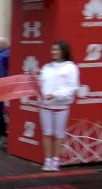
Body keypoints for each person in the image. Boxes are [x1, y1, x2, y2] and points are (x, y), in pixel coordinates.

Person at [39, 41, 80, 171]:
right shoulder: (46, 67)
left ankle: (56, 161)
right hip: (45, 105)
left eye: (56, 49)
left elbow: (73, 87)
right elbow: (40, 84)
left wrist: (56, 95)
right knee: (47, 133)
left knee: (58, 134)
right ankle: (47, 161)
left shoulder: (71, 67)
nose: (53, 52)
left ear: (64, 51)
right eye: (52, 49)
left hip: (61, 106)